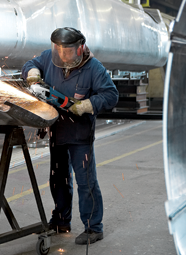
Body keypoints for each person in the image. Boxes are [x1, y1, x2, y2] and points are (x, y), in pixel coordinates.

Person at [22, 27, 118, 245]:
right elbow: (32, 63)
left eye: (68, 51)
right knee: (58, 178)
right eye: (59, 50)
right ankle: (61, 220)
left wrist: (88, 104)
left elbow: (111, 95)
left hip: (80, 134)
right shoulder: (49, 57)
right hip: (56, 130)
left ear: (80, 48)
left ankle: (94, 228)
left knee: (86, 182)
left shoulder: (94, 68)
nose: (63, 56)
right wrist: (32, 72)